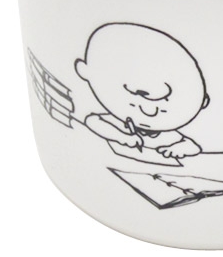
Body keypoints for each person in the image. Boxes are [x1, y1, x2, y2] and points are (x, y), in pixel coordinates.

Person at [75, 23, 208, 161]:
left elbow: (193, 147)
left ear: (202, 101)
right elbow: (93, 121)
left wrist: (178, 149)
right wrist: (122, 137)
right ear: (85, 71)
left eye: (160, 109)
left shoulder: (167, 134)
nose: (149, 111)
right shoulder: (120, 123)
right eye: (136, 104)